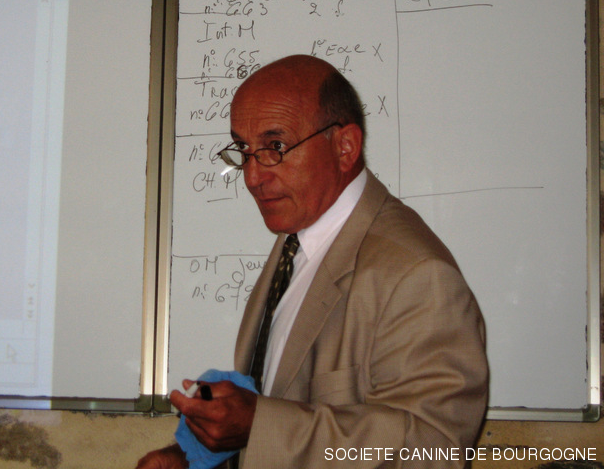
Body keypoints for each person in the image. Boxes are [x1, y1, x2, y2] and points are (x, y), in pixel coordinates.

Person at [137, 54, 488, 468]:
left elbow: (435, 448)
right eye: (244, 149)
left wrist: (259, 426)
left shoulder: (417, 276)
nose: (252, 177)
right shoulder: (298, 235)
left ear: (345, 147)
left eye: (276, 147)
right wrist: (193, 456)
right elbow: (281, 399)